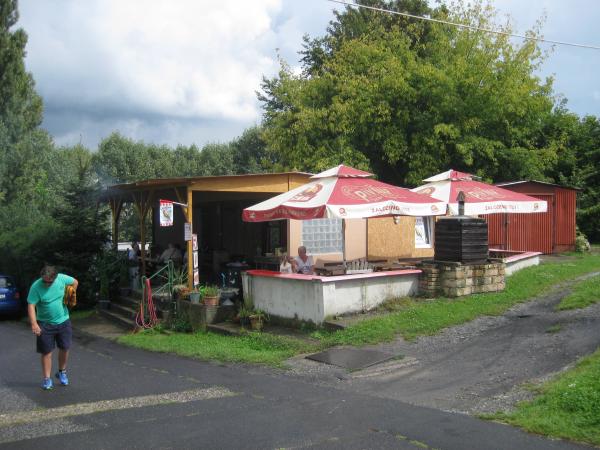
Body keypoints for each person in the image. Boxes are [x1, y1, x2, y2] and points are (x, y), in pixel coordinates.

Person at [27, 265, 78, 390]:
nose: (47, 284)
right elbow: (31, 305)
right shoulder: (36, 287)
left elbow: (75, 282)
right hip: (44, 324)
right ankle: (47, 379)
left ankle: (62, 372)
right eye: (44, 281)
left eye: (50, 282)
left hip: (63, 320)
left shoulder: (61, 278)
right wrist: (34, 323)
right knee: (46, 352)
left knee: (65, 348)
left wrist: (70, 293)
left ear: (55, 277)